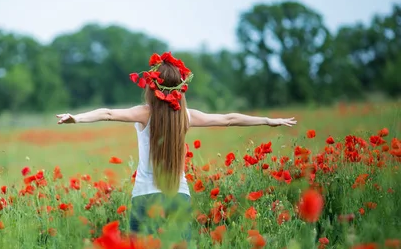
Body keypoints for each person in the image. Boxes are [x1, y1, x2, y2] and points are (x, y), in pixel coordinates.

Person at [56, 52, 297, 236]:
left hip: (145, 198)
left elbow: (107, 113)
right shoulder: (187, 116)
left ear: (152, 87)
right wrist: (268, 120)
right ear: (180, 90)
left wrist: (76, 118)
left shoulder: (144, 113)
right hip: (178, 197)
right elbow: (229, 119)